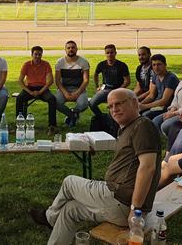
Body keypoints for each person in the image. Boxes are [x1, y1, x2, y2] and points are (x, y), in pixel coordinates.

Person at [29, 89, 161, 245]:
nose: (114, 109)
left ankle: (49, 217)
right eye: (110, 106)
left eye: (119, 104)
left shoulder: (142, 126)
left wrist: (135, 209)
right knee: (70, 210)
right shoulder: (129, 127)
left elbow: (148, 168)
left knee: (69, 182)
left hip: (123, 201)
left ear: (134, 103)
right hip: (118, 205)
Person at [16, 46, 57, 135]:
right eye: (35, 54)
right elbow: (20, 80)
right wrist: (30, 92)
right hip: (29, 88)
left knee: (52, 99)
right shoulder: (26, 64)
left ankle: (52, 126)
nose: (38, 56)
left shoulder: (46, 64)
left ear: (42, 54)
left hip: (42, 88)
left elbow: (50, 81)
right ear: (32, 54)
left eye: (39, 54)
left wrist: (40, 92)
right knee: (19, 98)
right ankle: (19, 125)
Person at [54, 41, 89, 128]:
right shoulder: (60, 62)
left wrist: (77, 93)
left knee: (84, 104)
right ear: (65, 50)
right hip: (64, 88)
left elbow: (86, 80)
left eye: (73, 47)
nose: (71, 49)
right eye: (68, 48)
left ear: (76, 49)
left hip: (79, 88)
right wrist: (65, 93)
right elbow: (57, 81)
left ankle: (73, 113)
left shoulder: (83, 62)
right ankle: (72, 116)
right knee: (55, 102)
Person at [89, 44, 130, 116]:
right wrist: (97, 86)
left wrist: (119, 89)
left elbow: (127, 81)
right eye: (107, 53)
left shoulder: (122, 65)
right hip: (105, 89)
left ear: (115, 53)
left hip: (118, 89)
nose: (110, 54)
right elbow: (95, 74)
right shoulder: (101, 64)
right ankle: (101, 117)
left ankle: (112, 120)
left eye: (112, 52)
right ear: (105, 54)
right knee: (92, 103)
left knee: (114, 109)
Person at [138, 54, 179, 119]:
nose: (156, 67)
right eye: (154, 65)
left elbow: (164, 100)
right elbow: (151, 96)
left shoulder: (171, 78)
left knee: (145, 115)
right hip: (156, 105)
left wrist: (144, 106)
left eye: (159, 64)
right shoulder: (155, 76)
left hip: (167, 107)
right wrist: (139, 104)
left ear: (165, 65)